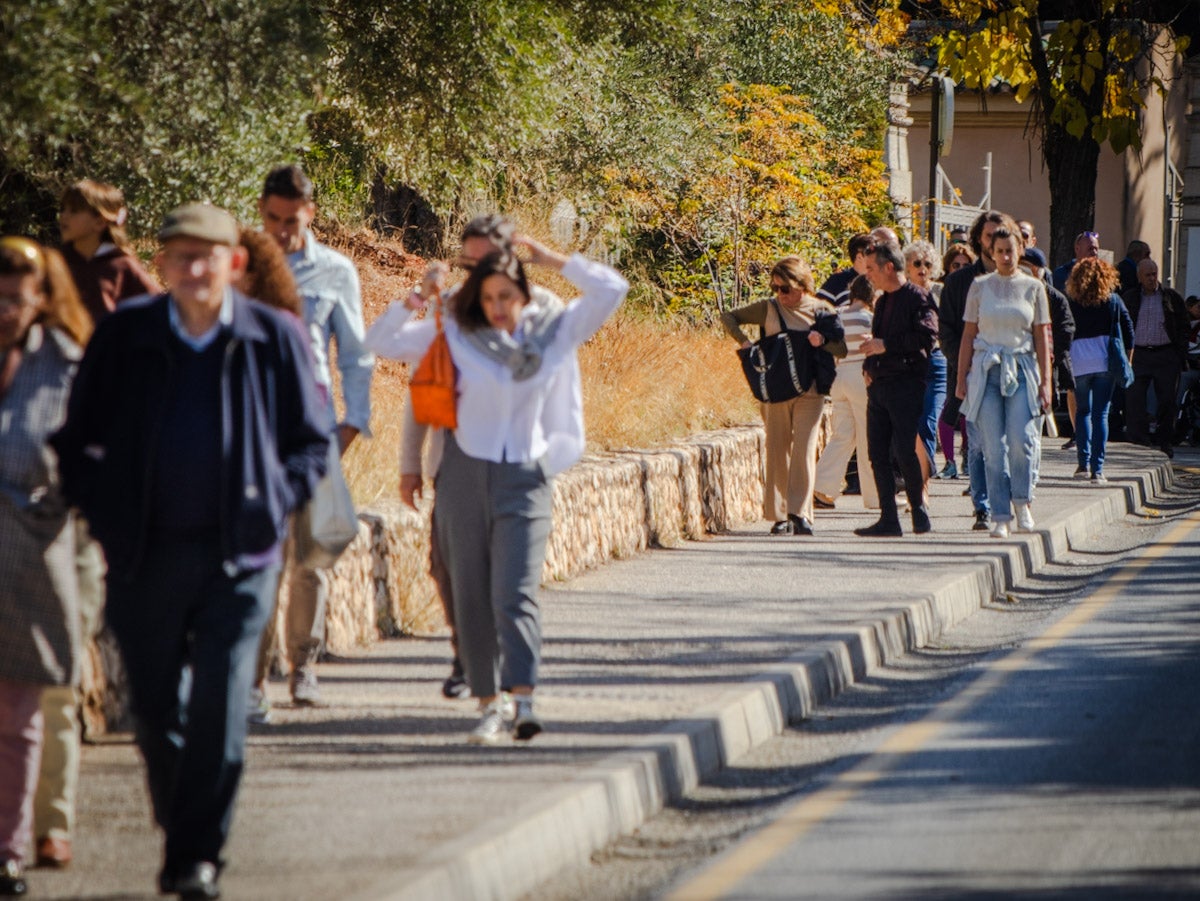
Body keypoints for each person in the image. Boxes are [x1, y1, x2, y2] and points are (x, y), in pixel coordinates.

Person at [50, 203, 330, 899]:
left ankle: (196, 855)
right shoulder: (127, 335)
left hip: (242, 555)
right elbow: (77, 433)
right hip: (145, 554)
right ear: (163, 263)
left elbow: (312, 439)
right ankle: (184, 829)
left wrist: (275, 497)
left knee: (220, 704)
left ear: (235, 263)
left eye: (208, 256)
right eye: (180, 256)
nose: (194, 268)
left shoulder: (273, 335)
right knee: (154, 708)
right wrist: (100, 507)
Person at [365, 236, 628, 744]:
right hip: (463, 471)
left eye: (507, 296)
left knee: (515, 592)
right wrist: (420, 296)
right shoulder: (456, 334)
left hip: (525, 477)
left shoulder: (554, 335)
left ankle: (524, 700)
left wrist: (553, 259)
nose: (497, 308)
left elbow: (612, 289)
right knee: (471, 595)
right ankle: (489, 706)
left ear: (525, 296)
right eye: (488, 299)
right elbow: (380, 342)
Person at [381, 214, 566, 701]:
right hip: (454, 462)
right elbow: (424, 387)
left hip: (518, 465)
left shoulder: (543, 310)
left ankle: (497, 670)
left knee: (506, 584)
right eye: (470, 259)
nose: (477, 268)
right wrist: (409, 462)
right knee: (448, 570)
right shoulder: (453, 313)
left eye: (485, 258)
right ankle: (469, 654)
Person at [258, 164, 375, 707]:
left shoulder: (335, 271)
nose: (282, 230)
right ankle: (253, 680)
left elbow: (354, 354)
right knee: (258, 557)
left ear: (311, 213)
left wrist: (354, 420)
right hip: (254, 426)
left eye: (292, 219)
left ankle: (303, 666)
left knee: (313, 554)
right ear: (262, 211)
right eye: (272, 218)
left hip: (314, 426)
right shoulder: (244, 265)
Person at [0, 237, 92, 897]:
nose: (4, 309)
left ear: (39, 301)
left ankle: (28, 835)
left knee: (37, 698)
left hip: (44, 546)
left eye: (14, 297)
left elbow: (91, 457)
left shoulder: (65, 365)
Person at [232, 228, 307, 725]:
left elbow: (306, 413)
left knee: (263, 585)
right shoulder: (180, 324)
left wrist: (287, 483)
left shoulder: (280, 328)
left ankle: (254, 686)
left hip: (265, 482)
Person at [721, 256, 846, 535]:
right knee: (777, 450)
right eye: (776, 288)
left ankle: (799, 513)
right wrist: (744, 343)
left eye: (785, 288)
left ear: (802, 285)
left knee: (803, 450)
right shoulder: (768, 308)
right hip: (776, 391)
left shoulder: (822, 310)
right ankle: (779, 516)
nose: (781, 294)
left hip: (810, 391)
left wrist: (822, 341)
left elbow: (842, 349)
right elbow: (728, 317)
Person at [955, 227, 1052, 538]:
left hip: (1022, 369)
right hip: (987, 371)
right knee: (993, 448)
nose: (1006, 257)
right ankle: (1000, 515)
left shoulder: (1034, 288)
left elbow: (1041, 337)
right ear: (991, 253)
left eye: (1011, 250)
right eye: (1000, 251)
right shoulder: (979, 287)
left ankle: (1022, 502)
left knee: (1022, 441)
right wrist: (961, 378)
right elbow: (968, 335)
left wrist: (1046, 383)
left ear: (1020, 250)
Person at [854, 242, 938, 537]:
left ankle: (918, 509)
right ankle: (888, 517)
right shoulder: (883, 300)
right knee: (876, 453)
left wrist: (885, 346)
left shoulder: (917, 297)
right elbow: (880, 338)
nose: (869, 276)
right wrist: (870, 363)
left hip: (905, 384)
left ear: (889, 267)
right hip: (879, 384)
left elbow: (927, 336)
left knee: (904, 450)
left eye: (872, 269)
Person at [941, 211, 1018, 530]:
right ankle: (983, 507)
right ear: (979, 239)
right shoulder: (960, 282)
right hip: (974, 373)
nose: (993, 242)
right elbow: (946, 329)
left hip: (1013, 373)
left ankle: (1009, 499)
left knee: (1009, 442)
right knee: (977, 443)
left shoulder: (1021, 281)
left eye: (999, 236)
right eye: (987, 236)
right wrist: (964, 364)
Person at [813, 274, 878, 510]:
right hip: (860, 376)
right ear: (872, 296)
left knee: (843, 435)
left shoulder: (839, 314)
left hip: (838, 376)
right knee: (867, 436)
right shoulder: (870, 318)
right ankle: (875, 496)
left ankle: (821, 487)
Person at [1065, 258, 1133, 482]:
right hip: (1105, 361)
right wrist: (1128, 360)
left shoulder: (1071, 301)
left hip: (1079, 361)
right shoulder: (1113, 300)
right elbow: (1128, 329)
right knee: (1101, 413)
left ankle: (1082, 464)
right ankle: (1098, 469)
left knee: (1083, 411)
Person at [58, 179, 160, 323]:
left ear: (99, 222)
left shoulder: (122, 266)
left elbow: (159, 309)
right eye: (63, 209)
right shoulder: (57, 263)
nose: (64, 216)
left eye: (74, 211)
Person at [1122, 257, 1190, 457]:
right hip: (1138, 354)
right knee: (1134, 400)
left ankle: (1165, 442)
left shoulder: (1170, 297)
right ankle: (1138, 444)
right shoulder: (1131, 297)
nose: (1152, 279)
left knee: (1167, 401)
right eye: (1148, 275)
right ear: (1139, 277)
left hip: (1165, 354)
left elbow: (1184, 326)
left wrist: (1180, 353)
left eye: (1154, 274)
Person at [1020, 247, 1075, 463]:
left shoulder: (1055, 298)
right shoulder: (1013, 295)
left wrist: (1050, 355)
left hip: (1043, 368)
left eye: (1034, 268)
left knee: (1034, 425)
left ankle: (1030, 469)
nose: (1031, 272)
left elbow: (1066, 330)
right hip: (1016, 367)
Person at [903, 241, 946, 496]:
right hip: (909, 364)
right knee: (911, 426)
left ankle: (923, 488)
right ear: (907, 266)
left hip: (937, 362)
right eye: (917, 263)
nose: (922, 269)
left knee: (928, 423)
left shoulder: (940, 292)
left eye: (927, 264)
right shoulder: (901, 295)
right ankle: (916, 485)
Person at [936, 243, 976, 479]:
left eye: (965, 265)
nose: (960, 269)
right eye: (955, 265)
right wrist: (956, 357)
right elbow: (945, 329)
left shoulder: (979, 287)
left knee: (970, 415)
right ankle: (950, 461)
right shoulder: (945, 289)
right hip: (954, 358)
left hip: (977, 356)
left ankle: (968, 459)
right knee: (951, 409)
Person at [816, 233, 873, 307]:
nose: (878, 258)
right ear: (859, 257)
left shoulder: (882, 281)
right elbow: (818, 311)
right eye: (872, 254)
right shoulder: (837, 281)